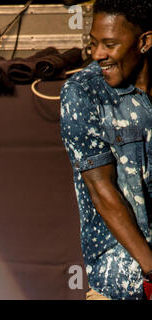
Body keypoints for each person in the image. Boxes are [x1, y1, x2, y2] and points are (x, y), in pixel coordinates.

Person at [60, 0, 151, 300]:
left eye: (109, 44)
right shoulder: (82, 92)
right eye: (93, 43)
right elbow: (101, 191)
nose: (98, 54)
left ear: (145, 41)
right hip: (121, 274)